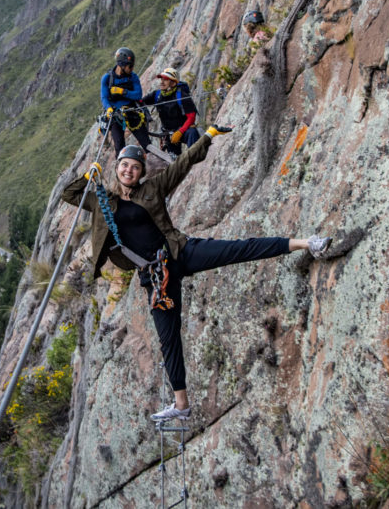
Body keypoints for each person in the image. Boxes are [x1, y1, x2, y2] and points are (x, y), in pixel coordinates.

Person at [61, 135, 331, 422]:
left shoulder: (152, 188)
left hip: (180, 253)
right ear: (117, 168)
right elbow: (69, 194)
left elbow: (182, 164)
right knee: (168, 338)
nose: (129, 171)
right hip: (155, 279)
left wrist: (207, 138)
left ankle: (306, 243)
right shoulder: (102, 201)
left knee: (238, 249)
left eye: (135, 167)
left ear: (141, 172)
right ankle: (181, 404)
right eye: (124, 166)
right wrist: (88, 175)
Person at [100, 47, 152, 156]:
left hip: (132, 111)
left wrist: (122, 92)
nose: (132, 69)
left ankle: (154, 164)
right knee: (119, 146)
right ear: (121, 65)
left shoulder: (133, 77)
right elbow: (104, 97)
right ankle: (121, 169)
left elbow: (138, 95)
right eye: (130, 66)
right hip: (115, 115)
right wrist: (108, 108)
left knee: (146, 143)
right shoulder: (107, 78)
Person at [141, 67, 200, 157]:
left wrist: (180, 132)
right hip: (169, 134)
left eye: (165, 80)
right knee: (173, 161)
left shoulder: (182, 95)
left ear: (173, 82)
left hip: (184, 131)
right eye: (161, 79)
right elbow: (141, 102)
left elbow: (191, 117)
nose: (162, 82)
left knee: (192, 132)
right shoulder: (157, 95)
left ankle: (195, 160)